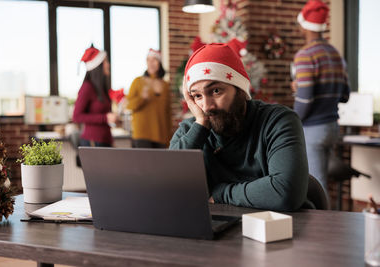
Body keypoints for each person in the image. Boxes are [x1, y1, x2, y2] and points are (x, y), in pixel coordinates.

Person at [170, 43, 311, 211]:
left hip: (280, 227)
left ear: (241, 90)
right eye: (197, 96)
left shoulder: (278, 121)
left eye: (216, 91)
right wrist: (200, 125)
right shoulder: (192, 130)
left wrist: (221, 193)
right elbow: (167, 187)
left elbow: (286, 192)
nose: (207, 106)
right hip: (217, 230)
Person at [291, 0, 350, 191]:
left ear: (304, 25)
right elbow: (345, 95)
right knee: (322, 182)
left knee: (317, 185)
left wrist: (292, 121)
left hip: (313, 129)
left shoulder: (305, 55)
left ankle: (320, 222)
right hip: (332, 127)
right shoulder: (335, 54)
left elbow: (306, 100)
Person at [73, 45, 119, 148]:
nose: (108, 65)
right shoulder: (87, 87)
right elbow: (76, 116)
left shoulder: (101, 88)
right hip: (92, 142)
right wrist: (105, 118)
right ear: (98, 65)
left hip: (105, 140)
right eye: (106, 62)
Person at [126, 49, 172, 148]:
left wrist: (169, 138)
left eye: (154, 60)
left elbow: (168, 113)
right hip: (142, 134)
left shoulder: (165, 85)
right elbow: (129, 105)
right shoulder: (138, 81)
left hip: (161, 135)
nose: (151, 63)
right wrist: (142, 98)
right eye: (148, 60)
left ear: (159, 62)